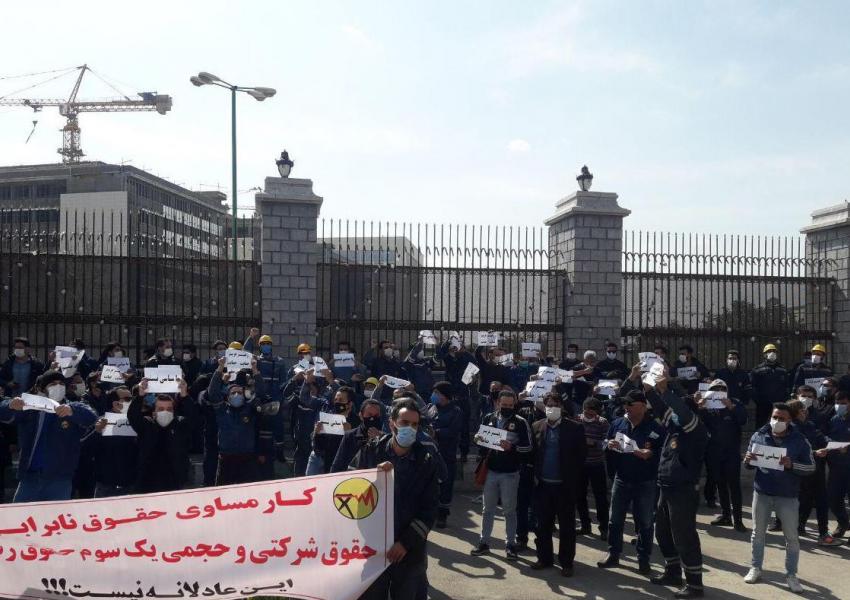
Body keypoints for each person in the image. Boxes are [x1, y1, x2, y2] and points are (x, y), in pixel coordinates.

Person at [354, 398, 439, 600]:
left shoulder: (426, 460)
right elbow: (350, 490)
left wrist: (405, 543)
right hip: (373, 547)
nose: (410, 428)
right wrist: (374, 477)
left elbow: (429, 509)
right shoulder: (370, 450)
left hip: (408, 550)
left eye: (415, 424)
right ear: (392, 423)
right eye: (404, 423)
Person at [645, 368, 709, 599]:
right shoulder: (674, 428)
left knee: (684, 536)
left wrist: (665, 389)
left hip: (683, 489)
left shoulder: (695, 430)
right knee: (662, 532)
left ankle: (694, 585)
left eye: (677, 411)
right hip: (666, 486)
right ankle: (672, 572)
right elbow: (663, 409)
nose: (671, 413)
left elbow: (681, 411)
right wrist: (649, 387)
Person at [743, 403, 814, 594]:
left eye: (782, 419)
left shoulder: (800, 440)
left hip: (787, 496)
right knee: (758, 534)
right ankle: (755, 568)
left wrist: (792, 465)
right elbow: (748, 465)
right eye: (775, 417)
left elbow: (811, 468)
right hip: (762, 492)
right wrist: (747, 460)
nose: (777, 421)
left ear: (790, 420)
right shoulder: (759, 435)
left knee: (791, 538)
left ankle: (791, 575)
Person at [0, 370, 98, 502]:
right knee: (20, 518)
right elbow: (4, 413)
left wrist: (72, 411)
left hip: (60, 479)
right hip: (30, 477)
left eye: (61, 383)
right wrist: (10, 404)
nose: (58, 386)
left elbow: (91, 416)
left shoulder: (71, 406)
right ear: (42, 388)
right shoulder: (31, 408)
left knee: (56, 520)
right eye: (52, 384)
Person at [597, 388, 666, 575]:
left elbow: (665, 453)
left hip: (645, 481)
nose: (626, 407)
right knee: (615, 520)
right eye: (625, 404)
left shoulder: (656, 428)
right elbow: (604, 442)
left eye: (630, 404)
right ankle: (613, 554)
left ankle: (644, 559)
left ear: (643, 407)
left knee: (644, 522)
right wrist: (608, 444)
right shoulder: (618, 423)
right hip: (621, 479)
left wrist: (651, 453)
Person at [471, 388, 533, 560]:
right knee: (487, 509)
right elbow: (482, 440)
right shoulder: (488, 418)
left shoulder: (520, 422)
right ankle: (484, 543)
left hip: (510, 473)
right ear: (497, 403)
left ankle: (510, 544)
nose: (506, 407)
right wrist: (478, 439)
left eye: (510, 405)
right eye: (503, 404)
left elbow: (528, 448)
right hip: (491, 470)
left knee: (509, 511)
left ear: (514, 404)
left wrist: (511, 447)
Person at [530, 392, 586, 576]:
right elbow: (533, 454)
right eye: (548, 404)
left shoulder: (575, 428)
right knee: (543, 525)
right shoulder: (537, 426)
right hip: (543, 485)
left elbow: (581, 456)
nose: (551, 407)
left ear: (561, 407)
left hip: (564, 486)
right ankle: (544, 558)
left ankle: (566, 562)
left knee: (567, 526)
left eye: (555, 404)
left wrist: (572, 480)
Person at [696, 379, 747, 531]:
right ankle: (726, 516)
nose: (718, 390)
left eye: (721, 388)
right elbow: (700, 425)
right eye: (715, 388)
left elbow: (743, 420)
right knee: (721, 485)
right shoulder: (707, 404)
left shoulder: (735, 402)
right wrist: (700, 407)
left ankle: (738, 520)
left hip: (731, 452)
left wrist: (731, 406)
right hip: (713, 452)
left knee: (734, 486)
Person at [788, 397, 839, 545]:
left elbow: (822, 438)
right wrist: (815, 452)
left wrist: (835, 445)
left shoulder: (810, 425)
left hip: (817, 469)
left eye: (804, 408)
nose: (804, 411)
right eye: (800, 409)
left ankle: (823, 533)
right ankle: (798, 527)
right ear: (794, 412)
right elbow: (796, 451)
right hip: (801, 471)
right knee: (804, 500)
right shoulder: (791, 429)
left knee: (822, 500)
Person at [206, 362, 267, 485]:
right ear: (227, 397)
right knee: (224, 496)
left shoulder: (249, 408)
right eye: (233, 393)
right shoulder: (222, 409)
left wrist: (255, 369)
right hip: (226, 460)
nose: (236, 395)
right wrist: (220, 368)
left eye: (239, 392)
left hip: (247, 460)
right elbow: (212, 392)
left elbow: (261, 392)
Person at [127, 389, 192, 493]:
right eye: (161, 409)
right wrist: (140, 396)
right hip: (147, 484)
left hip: (174, 483)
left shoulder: (180, 424)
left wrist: (185, 396)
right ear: (154, 412)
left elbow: (194, 418)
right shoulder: (147, 424)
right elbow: (133, 415)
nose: (165, 412)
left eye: (169, 409)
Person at [426, 381, 463, 528]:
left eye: (437, 393)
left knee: (446, 485)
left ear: (445, 395)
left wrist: (437, 432)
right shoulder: (431, 408)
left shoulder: (456, 411)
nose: (434, 396)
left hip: (446, 453)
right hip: (430, 453)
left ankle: (443, 515)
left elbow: (454, 431)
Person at [91, 386, 138, 497]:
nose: (131, 402)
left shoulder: (136, 421)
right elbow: (88, 449)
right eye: (127, 399)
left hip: (129, 484)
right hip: (106, 486)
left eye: (132, 399)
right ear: (115, 403)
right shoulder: (102, 422)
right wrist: (97, 432)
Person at [575, 398, 610, 540]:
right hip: (580, 464)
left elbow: (606, 443)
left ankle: (604, 528)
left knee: (600, 497)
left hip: (596, 464)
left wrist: (593, 442)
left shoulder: (603, 422)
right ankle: (585, 525)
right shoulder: (576, 420)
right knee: (580, 496)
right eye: (586, 412)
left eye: (592, 413)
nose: (588, 416)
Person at [436, 336, 475, 461]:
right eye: (455, 345)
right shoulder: (449, 358)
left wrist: (463, 351)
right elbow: (440, 353)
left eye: (459, 345)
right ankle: (447, 451)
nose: (457, 348)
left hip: (463, 397)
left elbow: (474, 363)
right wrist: (448, 341)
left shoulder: (467, 358)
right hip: (450, 398)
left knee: (464, 427)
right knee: (448, 424)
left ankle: (464, 452)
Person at [307, 386, 360, 475]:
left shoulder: (356, 422)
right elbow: (317, 447)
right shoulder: (328, 418)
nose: (337, 403)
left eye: (341, 400)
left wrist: (350, 433)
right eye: (336, 400)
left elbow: (357, 449)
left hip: (342, 467)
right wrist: (317, 433)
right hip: (323, 462)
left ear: (350, 404)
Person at [822, 390, 850, 540]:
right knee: (833, 498)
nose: (840, 406)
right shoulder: (834, 419)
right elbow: (825, 436)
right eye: (837, 403)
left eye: (844, 403)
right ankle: (843, 522)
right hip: (836, 467)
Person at [330, 398, 385, 472]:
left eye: (376, 415)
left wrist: (378, 441)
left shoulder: (384, 438)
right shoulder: (350, 436)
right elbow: (338, 464)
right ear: (361, 415)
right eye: (369, 415)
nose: (372, 418)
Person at [750, 344, 788, 427]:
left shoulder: (782, 370)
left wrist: (784, 400)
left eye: (774, 351)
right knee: (761, 426)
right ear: (764, 354)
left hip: (779, 404)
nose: (772, 353)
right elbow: (753, 387)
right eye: (769, 351)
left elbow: (787, 386)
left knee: (779, 425)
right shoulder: (757, 370)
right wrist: (759, 401)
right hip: (763, 405)